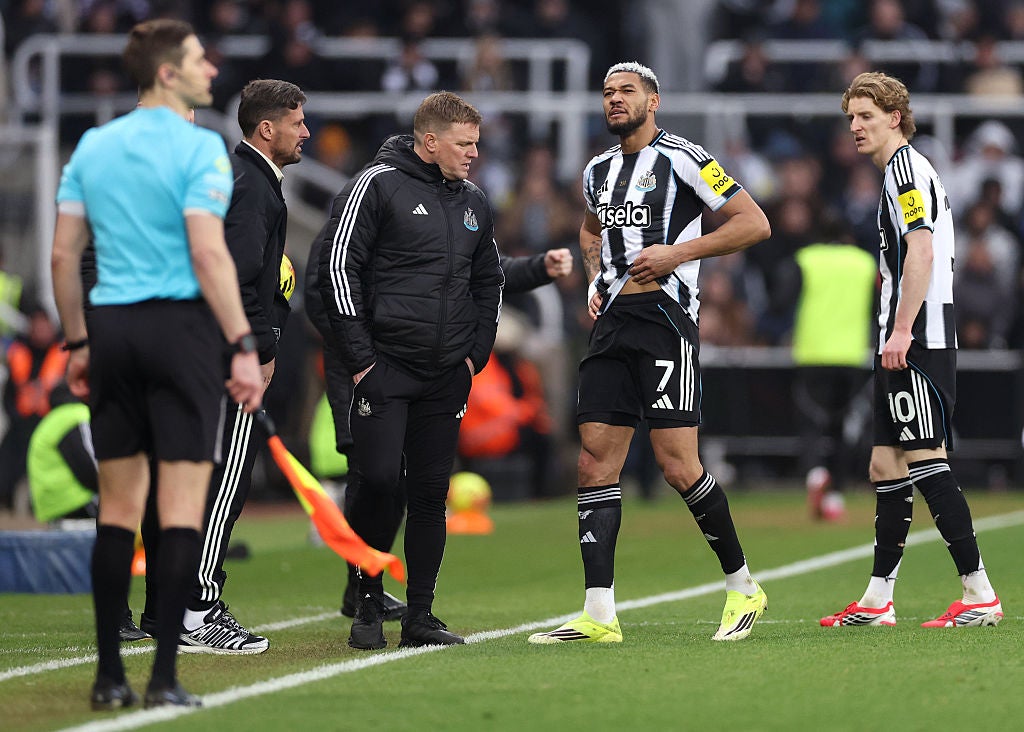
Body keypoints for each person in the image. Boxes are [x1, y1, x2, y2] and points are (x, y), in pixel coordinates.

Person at [50, 19, 262, 710]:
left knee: (117, 512)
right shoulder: (200, 148)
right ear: (168, 72)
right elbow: (207, 253)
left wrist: (78, 343)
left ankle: (108, 676)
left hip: (110, 329)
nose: (210, 67)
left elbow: (61, 256)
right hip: (181, 331)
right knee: (177, 514)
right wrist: (241, 341)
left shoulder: (93, 145)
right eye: (199, 59)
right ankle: (164, 676)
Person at [528, 61, 771, 645]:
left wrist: (677, 254)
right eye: (607, 92)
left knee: (677, 465)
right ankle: (599, 613)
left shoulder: (684, 156)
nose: (614, 100)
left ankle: (743, 586)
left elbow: (753, 222)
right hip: (612, 323)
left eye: (626, 91)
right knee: (593, 463)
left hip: (665, 320)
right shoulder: (596, 170)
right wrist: (593, 277)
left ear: (653, 100)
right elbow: (590, 232)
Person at [316, 91, 503, 650]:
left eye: (476, 143)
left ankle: (420, 615)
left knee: (429, 494)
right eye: (464, 143)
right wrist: (361, 359)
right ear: (430, 141)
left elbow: (489, 278)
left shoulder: (474, 201)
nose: (474, 153)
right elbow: (336, 265)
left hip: (445, 373)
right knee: (375, 483)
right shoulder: (376, 185)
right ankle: (368, 601)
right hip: (386, 368)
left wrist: (477, 353)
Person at [820, 72, 1004, 629]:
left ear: (894, 117)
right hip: (902, 335)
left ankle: (979, 593)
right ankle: (878, 600)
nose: (855, 126)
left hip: (916, 337)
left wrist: (901, 331)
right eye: (851, 117)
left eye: (866, 116)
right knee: (885, 461)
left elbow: (920, 253)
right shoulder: (904, 171)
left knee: (927, 458)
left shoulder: (903, 169)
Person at [305, 243, 572, 621]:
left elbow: (478, 265)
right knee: (374, 476)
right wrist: (359, 351)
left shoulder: (451, 202)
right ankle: (364, 588)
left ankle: (370, 590)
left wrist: (537, 268)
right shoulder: (371, 194)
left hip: (419, 370)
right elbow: (325, 280)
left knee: (405, 482)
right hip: (364, 366)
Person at [134, 78, 309, 655]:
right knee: (221, 486)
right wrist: (257, 348)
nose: (305, 131)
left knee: (184, 480)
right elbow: (234, 276)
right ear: (268, 128)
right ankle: (199, 608)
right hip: (222, 359)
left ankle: (165, 608)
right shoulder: (253, 187)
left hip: (189, 350)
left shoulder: (238, 179)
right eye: (297, 121)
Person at [791, 223, 876, 522]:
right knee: (842, 428)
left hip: (813, 354)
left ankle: (815, 474)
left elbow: (783, 299)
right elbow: (880, 304)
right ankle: (836, 496)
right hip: (851, 356)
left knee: (812, 423)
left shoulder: (807, 259)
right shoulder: (864, 263)